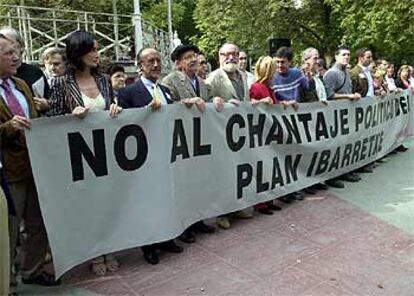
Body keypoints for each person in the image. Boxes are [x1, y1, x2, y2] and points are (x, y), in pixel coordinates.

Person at [49, 30, 122, 276]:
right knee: (88, 206)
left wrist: (115, 109)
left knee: (108, 202)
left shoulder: (103, 80)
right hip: (80, 157)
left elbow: (112, 107)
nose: (97, 55)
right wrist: (71, 118)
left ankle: (109, 247)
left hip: (106, 153)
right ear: (78, 52)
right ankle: (93, 251)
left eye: (97, 49)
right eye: (92, 49)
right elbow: (51, 120)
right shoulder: (60, 82)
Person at [0, 33, 60, 288]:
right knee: (9, 231)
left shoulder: (21, 85)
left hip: (35, 166)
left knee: (37, 224)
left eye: (17, 52)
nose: (16, 57)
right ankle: (8, 282)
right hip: (8, 172)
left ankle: (32, 270)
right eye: (8, 53)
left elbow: (34, 121)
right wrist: (8, 128)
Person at [118, 47, 184, 265]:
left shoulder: (165, 91)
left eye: (158, 60)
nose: (156, 65)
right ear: (140, 66)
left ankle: (167, 237)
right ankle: (149, 245)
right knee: (146, 202)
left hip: (167, 153)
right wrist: (146, 110)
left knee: (167, 197)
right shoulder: (128, 93)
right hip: (143, 157)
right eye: (150, 61)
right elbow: (124, 124)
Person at [161, 44, 214, 243]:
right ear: (178, 62)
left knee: (199, 182)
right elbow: (166, 107)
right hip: (181, 140)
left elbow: (207, 104)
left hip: (200, 139)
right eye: (188, 57)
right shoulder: (170, 81)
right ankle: (184, 226)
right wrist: (184, 104)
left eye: (194, 56)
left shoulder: (201, 81)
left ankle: (198, 220)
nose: (193, 60)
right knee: (183, 185)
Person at [205, 43, 253, 229]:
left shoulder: (243, 75)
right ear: (219, 56)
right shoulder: (213, 78)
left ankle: (237, 207)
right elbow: (207, 103)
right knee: (223, 174)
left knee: (238, 171)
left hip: (241, 133)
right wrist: (221, 103)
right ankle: (222, 213)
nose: (231, 58)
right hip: (222, 134)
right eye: (226, 55)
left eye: (234, 54)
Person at [323, 45, 362, 188]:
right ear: (336, 57)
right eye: (343, 54)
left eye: (348, 54)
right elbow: (329, 95)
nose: (346, 57)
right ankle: (332, 176)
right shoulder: (331, 74)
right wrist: (348, 96)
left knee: (345, 143)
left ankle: (344, 171)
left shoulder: (345, 72)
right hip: (334, 115)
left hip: (345, 114)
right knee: (335, 145)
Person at [249, 56, 282, 215]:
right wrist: (262, 101)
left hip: (270, 133)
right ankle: (260, 203)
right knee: (262, 168)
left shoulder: (269, 87)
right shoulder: (257, 87)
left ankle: (269, 200)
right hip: (261, 134)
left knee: (270, 168)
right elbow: (251, 107)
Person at [0, 27, 50, 101]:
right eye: (8, 52)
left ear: (22, 47)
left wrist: (46, 105)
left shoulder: (31, 76)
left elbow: (49, 100)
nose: (15, 57)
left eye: (13, 48)